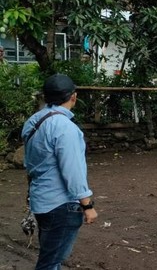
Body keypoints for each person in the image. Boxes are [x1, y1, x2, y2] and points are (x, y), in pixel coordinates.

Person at [22, 74, 98, 269]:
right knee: (50, 262)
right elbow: (73, 171)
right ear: (73, 96)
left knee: (50, 257)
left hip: (40, 200)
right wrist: (87, 205)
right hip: (61, 205)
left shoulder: (33, 121)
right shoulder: (66, 128)